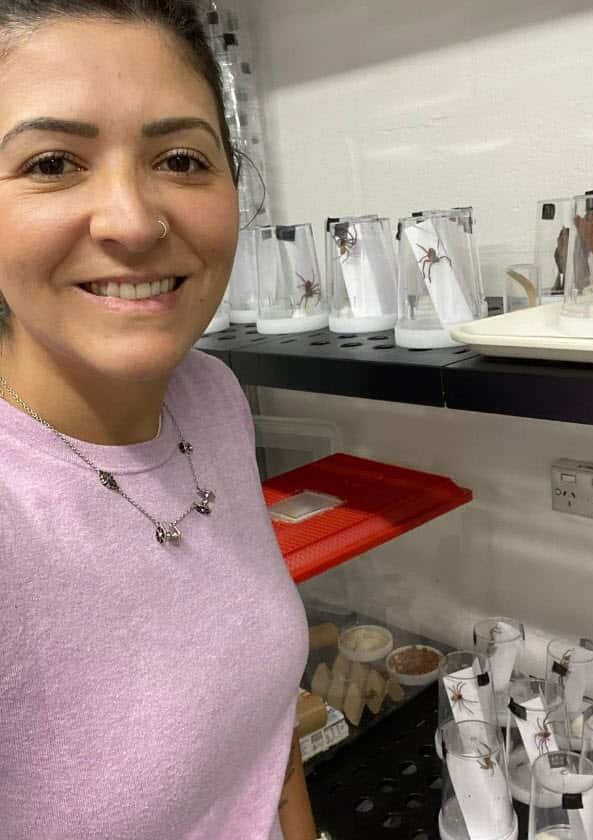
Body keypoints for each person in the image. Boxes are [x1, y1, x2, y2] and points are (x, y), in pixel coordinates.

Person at [0, 1, 323, 837]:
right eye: (51, 164)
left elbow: (264, 736)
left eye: (181, 159)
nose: (135, 223)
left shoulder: (210, 396)